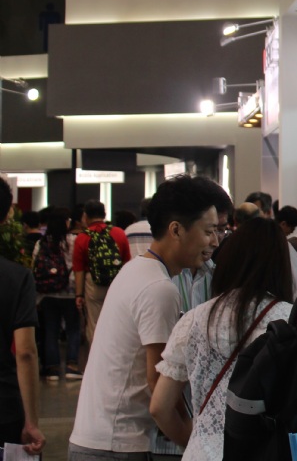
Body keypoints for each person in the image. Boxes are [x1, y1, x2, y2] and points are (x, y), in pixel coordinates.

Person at [68, 175, 229, 461]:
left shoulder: (136, 270)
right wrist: (196, 445)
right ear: (176, 230)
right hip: (117, 445)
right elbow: (160, 386)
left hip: (99, 438)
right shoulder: (160, 289)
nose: (214, 241)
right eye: (208, 231)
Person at [150, 218, 294, 460]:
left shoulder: (195, 319)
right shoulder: (288, 321)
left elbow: (159, 407)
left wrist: (194, 442)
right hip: (261, 452)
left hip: (201, 453)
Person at [0, 176, 46, 456]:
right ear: (7, 216)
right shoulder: (17, 278)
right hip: (4, 406)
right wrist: (31, 421)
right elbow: (26, 352)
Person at [73, 199, 133, 345]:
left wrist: (79, 294)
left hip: (93, 283)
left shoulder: (82, 237)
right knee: (116, 322)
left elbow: (79, 269)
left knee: (95, 323)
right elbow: (127, 262)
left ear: (85, 216)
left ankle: (97, 354)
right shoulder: (118, 233)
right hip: (116, 283)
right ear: (105, 215)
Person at [34, 208, 83, 379]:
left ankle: (52, 368)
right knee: (73, 329)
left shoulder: (41, 243)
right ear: (65, 223)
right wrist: (80, 293)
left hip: (48, 293)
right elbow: (79, 266)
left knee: (51, 330)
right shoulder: (73, 241)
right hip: (70, 293)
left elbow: (35, 266)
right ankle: (71, 365)